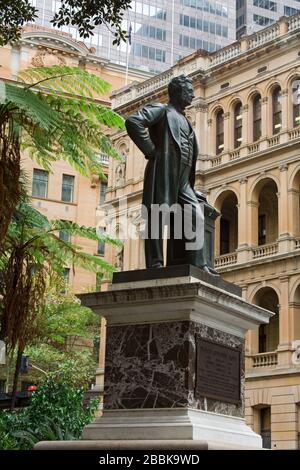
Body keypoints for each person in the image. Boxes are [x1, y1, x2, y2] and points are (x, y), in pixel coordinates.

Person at [125, 75, 214, 274]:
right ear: (177, 92)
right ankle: (155, 264)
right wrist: (150, 150)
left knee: (196, 215)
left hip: (183, 180)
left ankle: (199, 264)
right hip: (163, 173)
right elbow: (133, 122)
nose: (192, 93)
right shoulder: (161, 110)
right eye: (189, 89)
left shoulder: (186, 120)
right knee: (157, 217)